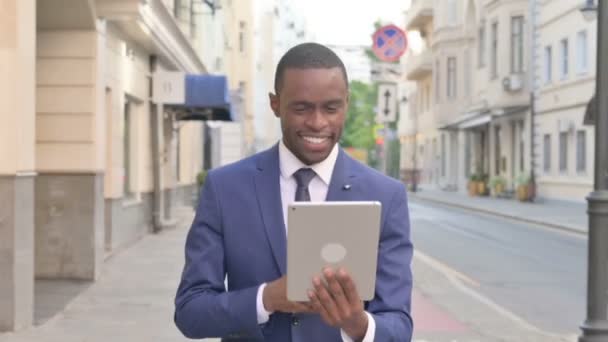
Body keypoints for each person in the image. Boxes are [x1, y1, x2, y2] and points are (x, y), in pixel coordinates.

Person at [174, 42, 413, 341]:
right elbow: (190, 312)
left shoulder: (386, 196)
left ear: (347, 104)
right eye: (301, 108)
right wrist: (266, 299)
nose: (317, 122)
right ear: (275, 104)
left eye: (331, 107)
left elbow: (399, 326)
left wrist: (357, 324)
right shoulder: (225, 188)